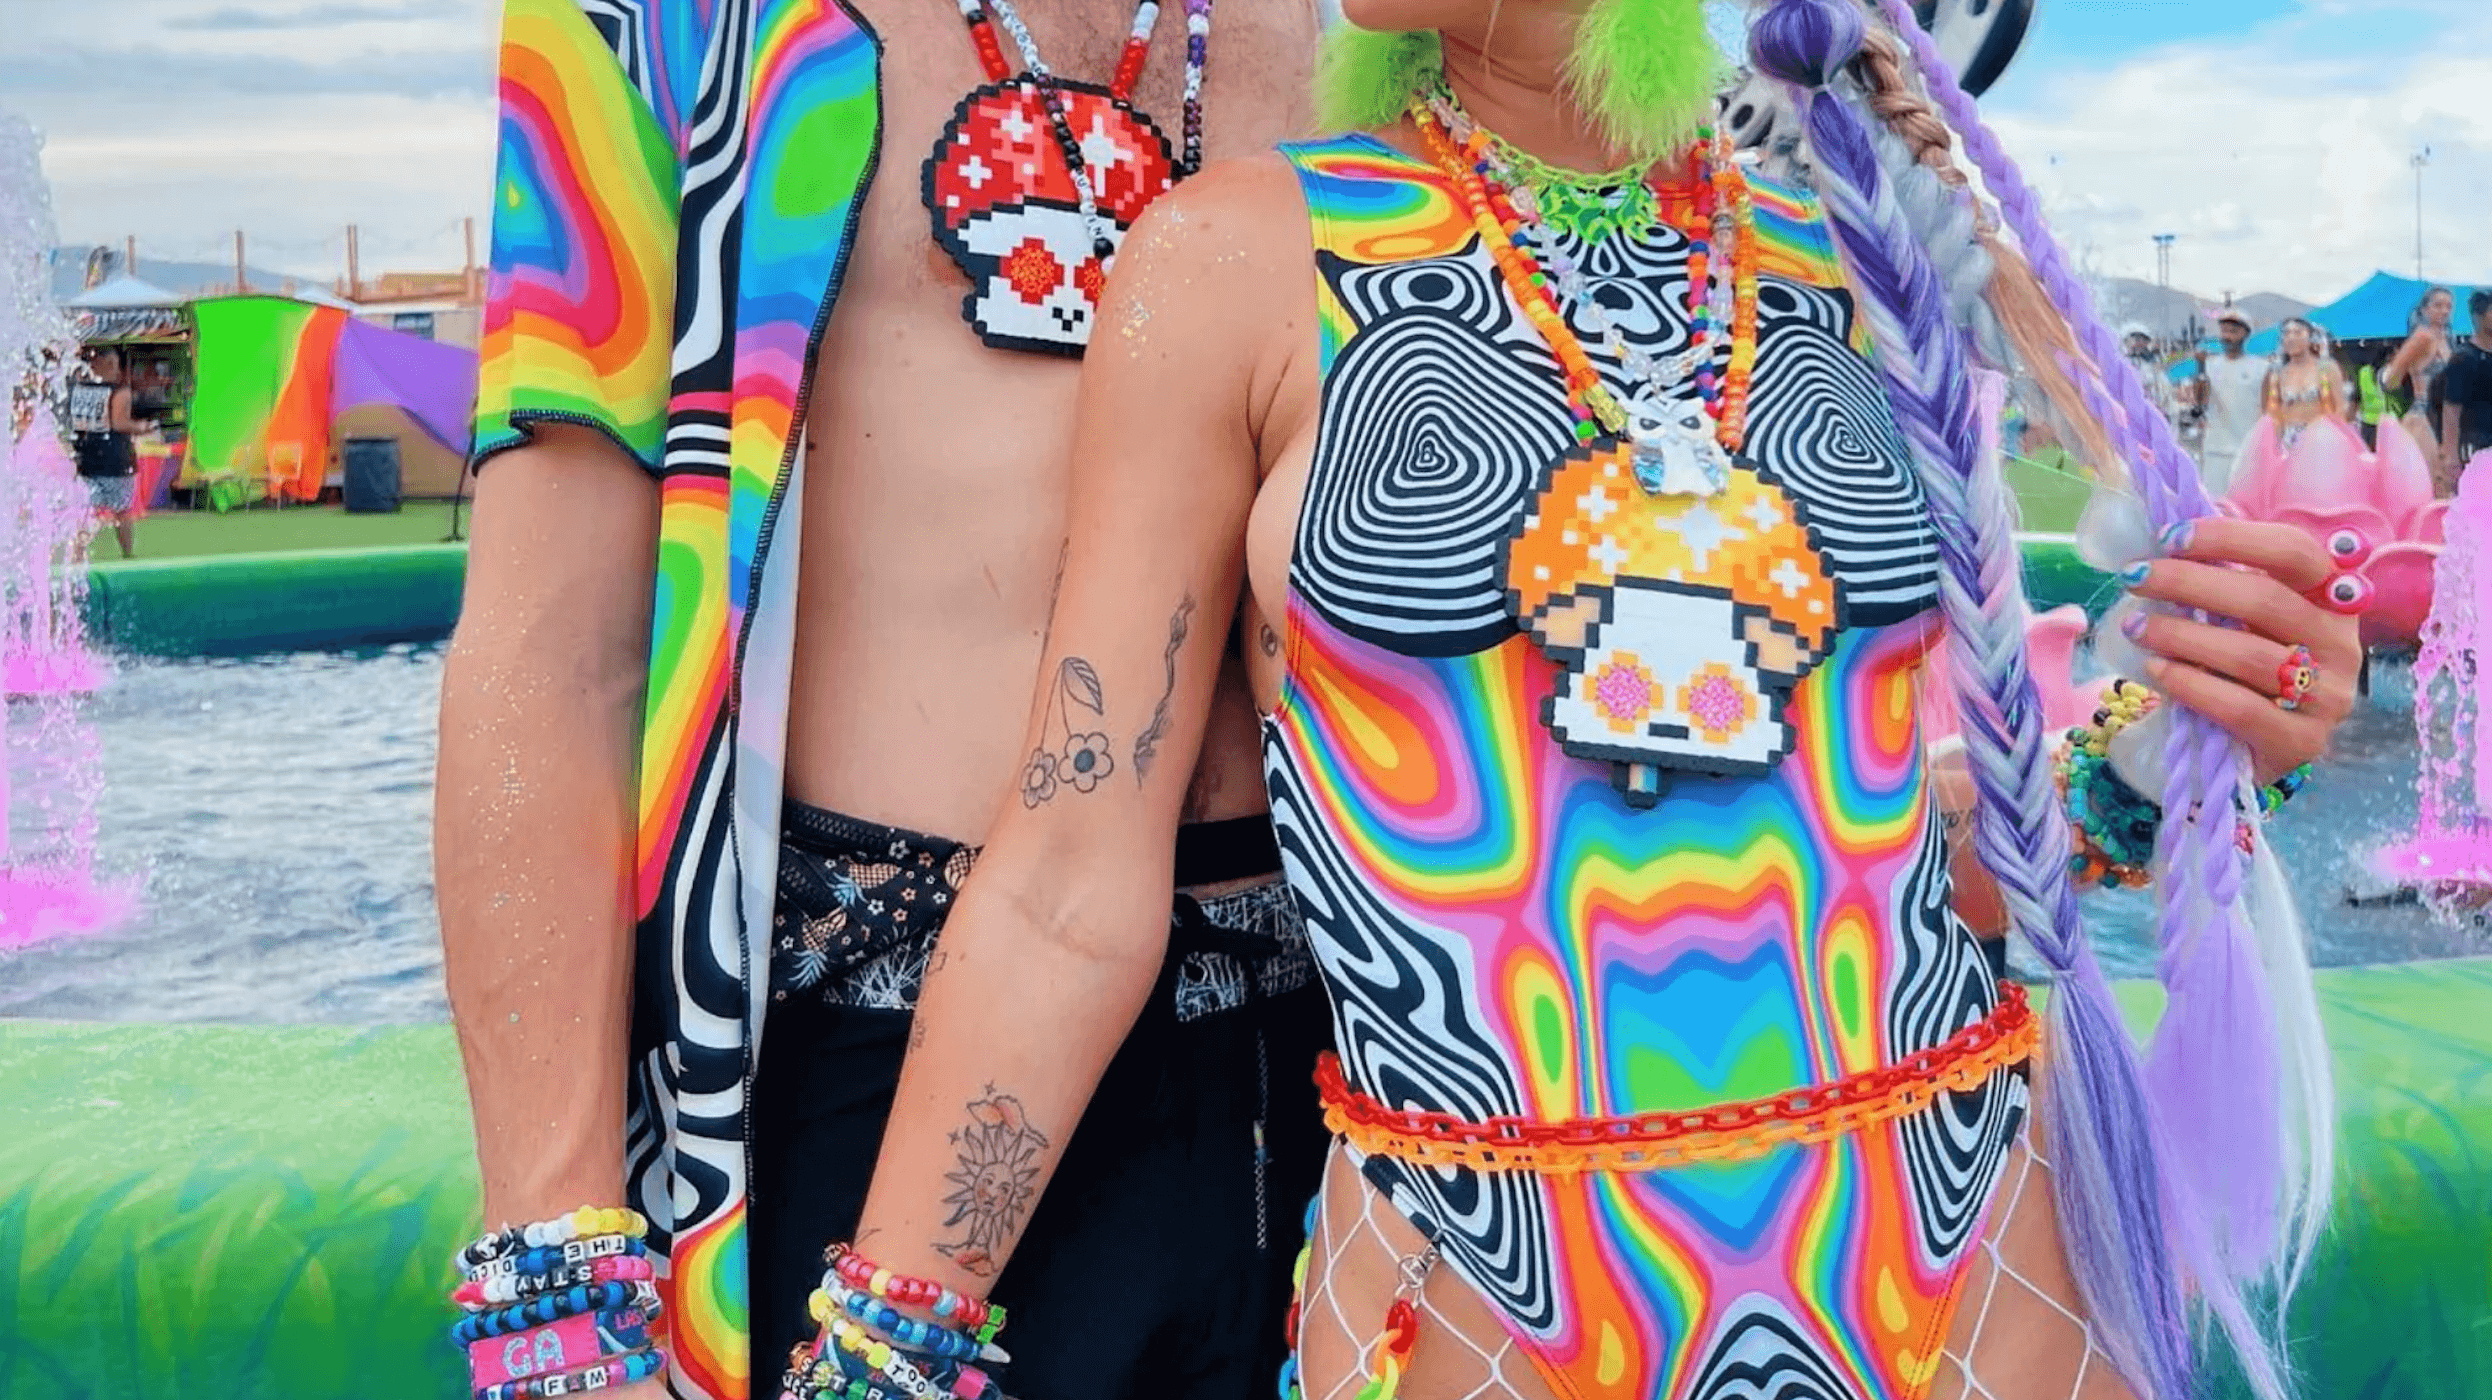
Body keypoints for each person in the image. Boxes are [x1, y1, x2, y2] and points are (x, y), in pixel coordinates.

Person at [823, 4, 2357, 1400]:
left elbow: (1899, 846)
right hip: (1482, 1305)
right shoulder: (1234, 263)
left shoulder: (1855, 250)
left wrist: (2184, 748)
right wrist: (884, 1343)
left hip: (1973, 1277)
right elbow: (1072, 880)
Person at [435, 4, 1330, 1399]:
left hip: (1339, 1089)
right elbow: (554, 647)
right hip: (864, 1080)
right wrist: (561, 1300)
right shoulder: (675, 23)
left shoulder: (1398, 26)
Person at [65, 345, 148, 558]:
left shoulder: (79, 390)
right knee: (122, 510)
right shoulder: (119, 391)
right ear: (107, 364)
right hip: (116, 460)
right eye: (115, 364)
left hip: (86, 459)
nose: (117, 369)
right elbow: (120, 423)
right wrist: (142, 427)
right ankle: (128, 553)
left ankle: (77, 553)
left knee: (86, 511)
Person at [2197, 306, 2267, 494]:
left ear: (2245, 334)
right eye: (2224, 331)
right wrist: (2200, 368)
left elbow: (2268, 411)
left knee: (2243, 504)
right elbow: (2200, 400)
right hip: (2215, 450)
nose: (2227, 336)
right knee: (2216, 504)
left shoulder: (2261, 367)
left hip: (2247, 450)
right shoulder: (2210, 365)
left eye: (2233, 331)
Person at [2441, 289, 2492, 481]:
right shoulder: (2463, 359)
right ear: (2478, 316)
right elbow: (2451, 409)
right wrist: (2451, 456)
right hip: (2476, 447)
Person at [2122, 320, 2177, 437]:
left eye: (2142, 340)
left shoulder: (2152, 362)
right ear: (2127, 341)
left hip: (2154, 410)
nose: (2139, 343)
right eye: (2136, 339)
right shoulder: (2124, 362)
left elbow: (2164, 389)